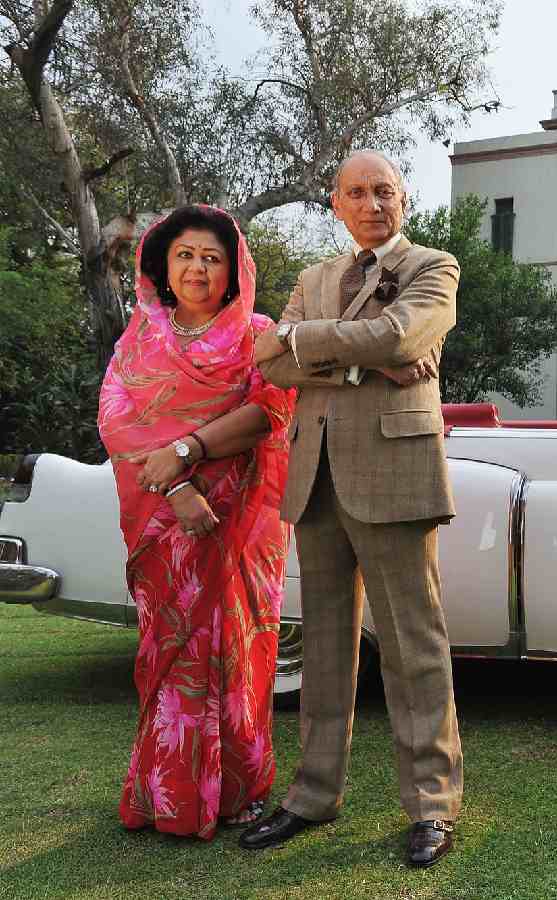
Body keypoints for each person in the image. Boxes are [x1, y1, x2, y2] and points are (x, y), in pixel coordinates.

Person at [241, 149, 463, 868]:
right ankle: (312, 796)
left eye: (385, 191)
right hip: (317, 474)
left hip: (397, 472)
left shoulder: (435, 267)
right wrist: (364, 361)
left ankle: (431, 807)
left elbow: (404, 334)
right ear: (336, 204)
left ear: (404, 200)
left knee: (413, 646)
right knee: (326, 649)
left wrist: (310, 342)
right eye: (357, 193)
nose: (372, 203)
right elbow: (269, 362)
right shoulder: (313, 278)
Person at [97, 204, 296, 839]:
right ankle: (165, 794)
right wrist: (178, 486)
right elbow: (119, 423)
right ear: (162, 264)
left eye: (212, 257)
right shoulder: (139, 340)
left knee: (239, 651)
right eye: (185, 254)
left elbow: (270, 412)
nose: (198, 267)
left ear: (234, 269)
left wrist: (188, 451)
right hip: (167, 523)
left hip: (239, 521)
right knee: (173, 652)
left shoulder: (256, 335)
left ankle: (239, 791)